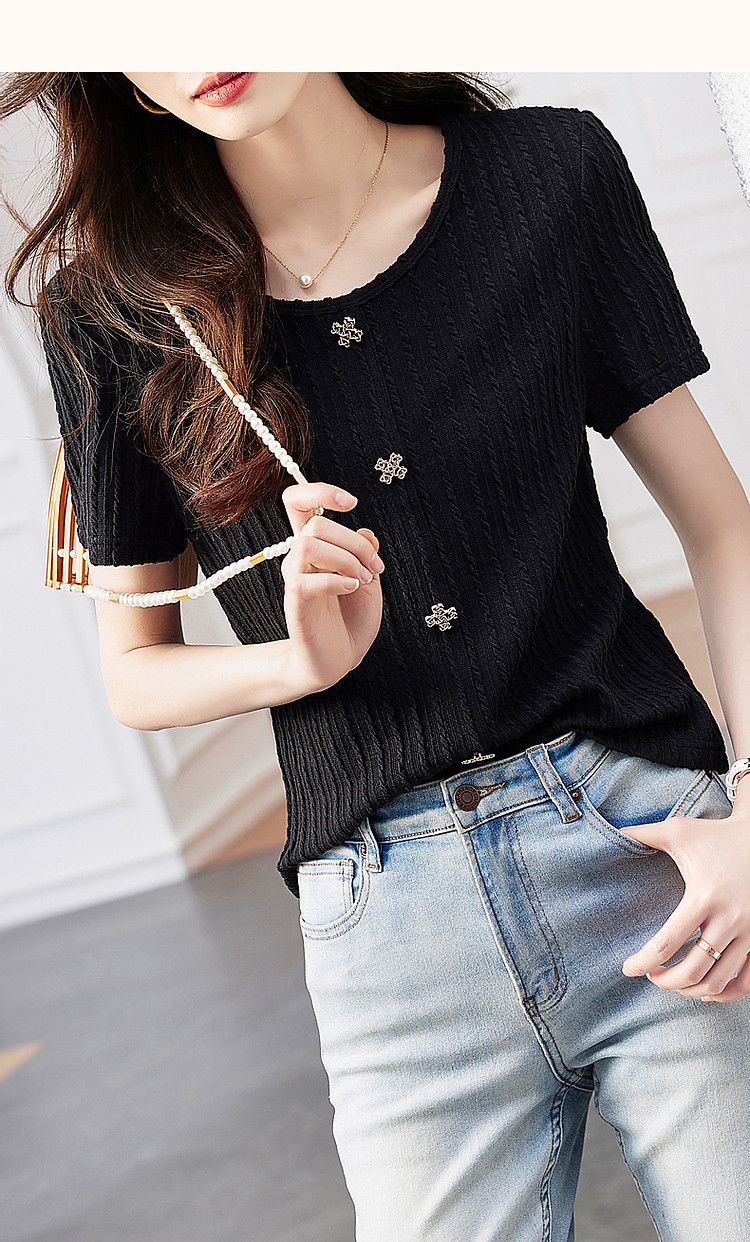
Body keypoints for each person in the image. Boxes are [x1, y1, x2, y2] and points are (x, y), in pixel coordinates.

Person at [4, 71, 750, 1241]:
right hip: (394, 941)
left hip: (657, 858)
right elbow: (133, 671)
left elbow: (724, 529)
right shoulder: (112, 313)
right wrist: (294, 665)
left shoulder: (550, 176)